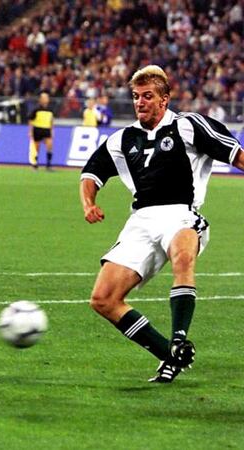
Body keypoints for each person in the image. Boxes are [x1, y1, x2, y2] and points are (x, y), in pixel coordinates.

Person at [80, 65, 244, 383]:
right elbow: (91, 173)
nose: (140, 102)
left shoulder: (189, 126)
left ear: (165, 99)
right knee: (103, 299)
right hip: (140, 220)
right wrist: (89, 203)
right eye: (136, 97)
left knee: (183, 255)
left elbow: (237, 156)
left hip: (182, 213)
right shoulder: (123, 139)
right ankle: (170, 354)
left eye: (148, 96)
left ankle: (180, 337)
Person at [28, 92, 54, 170]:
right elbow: (30, 120)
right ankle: (35, 164)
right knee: (36, 147)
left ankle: (48, 164)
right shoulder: (36, 109)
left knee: (49, 146)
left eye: (47, 97)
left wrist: (52, 130)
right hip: (37, 129)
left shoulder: (50, 110)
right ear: (40, 99)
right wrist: (30, 131)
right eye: (44, 97)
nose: (46, 99)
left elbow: (52, 121)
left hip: (47, 129)